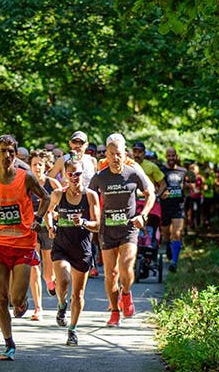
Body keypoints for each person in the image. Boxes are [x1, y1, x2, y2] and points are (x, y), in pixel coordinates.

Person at [0, 134, 51, 360]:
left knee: (16, 300)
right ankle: (8, 343)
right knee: (1, 297)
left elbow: (45, 198)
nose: (7, 155)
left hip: (23, 243)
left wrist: (38, 218)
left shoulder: (25, 178)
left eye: (11, 152)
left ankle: (23, 302)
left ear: (15, 156)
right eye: (3, 151)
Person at [88, 133, 155, 327]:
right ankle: (114, 311)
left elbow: (150, 194)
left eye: (118, 154)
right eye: (111, 154)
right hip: (107, 230)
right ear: (106, 156)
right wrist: (92, 218)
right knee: (111, 273)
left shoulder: (133, 172)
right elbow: (89, 198)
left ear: (124, 154)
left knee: (126, 268)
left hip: (129, 228)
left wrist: (143, 215)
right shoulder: (100, 177)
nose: (115, 158)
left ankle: (126, 293)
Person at [44, 155, 100, 344]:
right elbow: (48, 211)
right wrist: (50, 227)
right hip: (62, 246)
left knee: (78, 294)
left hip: (83, 249)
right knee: (64, 279)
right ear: (65, 175)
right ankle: (61, 304)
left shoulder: (90, 195)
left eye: (78, 173)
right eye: (71, 174)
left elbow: (98, 225)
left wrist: (84, 222)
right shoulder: (58, 194)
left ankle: (72, 330)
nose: (75, 177)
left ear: (83, 174)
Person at [27, 149, 61, 320]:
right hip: (31, 228)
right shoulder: (26, 183)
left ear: (45, 166)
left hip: (48, 228)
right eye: (34, 165)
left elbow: (64, 201)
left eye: (39, 164)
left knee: (48, 271)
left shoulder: (52, 183)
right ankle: (38, 308)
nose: (37, 168)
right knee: (34, 267)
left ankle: (50, 281)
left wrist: (55, 213)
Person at [159, 147, 191, 272]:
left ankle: (174, 262)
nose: (171, 158)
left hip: (179, 206)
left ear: (176, 156)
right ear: (166, 156)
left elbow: (188, 186)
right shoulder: (162, 170)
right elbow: (158, 187)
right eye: (169, 156)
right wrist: (161, 194)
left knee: (176, 234)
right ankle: (168, 245)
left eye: (173, 156)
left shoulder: (183, 171)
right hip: (165, 206)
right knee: (166, 235)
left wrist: (188, 187)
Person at [186, 161, 205, 231]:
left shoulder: (200, 178)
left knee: (198, 211)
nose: (195, 171)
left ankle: (198, 224)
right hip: (191, 197)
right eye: (193, 169)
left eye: (196, 170)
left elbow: (201, 187)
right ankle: (191, 225)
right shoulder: (188, 178)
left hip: (198, 197)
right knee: (192, 211)